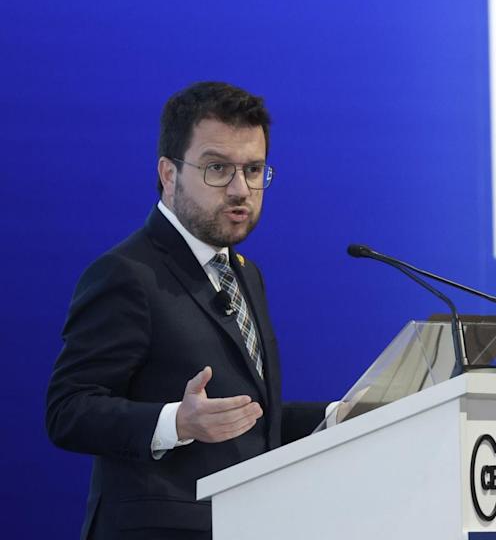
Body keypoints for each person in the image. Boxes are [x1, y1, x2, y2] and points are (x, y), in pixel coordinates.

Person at [47, 82, 325, 539]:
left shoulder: (244, 273)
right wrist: (175, 422)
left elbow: (249, 419)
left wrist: (342, 415)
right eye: (218, 168)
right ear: (169, 173)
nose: (241, 189)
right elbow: (68, 410)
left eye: (254, 169)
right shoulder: (127, 274)